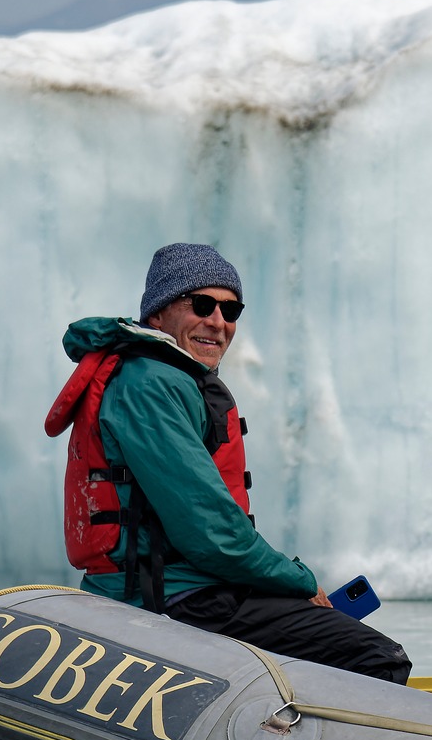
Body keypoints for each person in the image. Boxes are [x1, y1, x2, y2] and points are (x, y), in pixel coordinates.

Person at [45, 242, 411, 683]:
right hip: (174, 599)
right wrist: (299, 580)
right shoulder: (151, 385)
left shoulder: (160, 377)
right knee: (376, 657)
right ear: (157, 315)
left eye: (231, 310)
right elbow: (212, 534)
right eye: (202, 305)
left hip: (183, 589)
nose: (218, 323)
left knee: (331, 639)